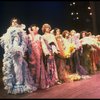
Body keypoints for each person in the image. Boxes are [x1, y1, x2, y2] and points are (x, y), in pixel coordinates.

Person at [0, 17, 37, 94]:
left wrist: (19, 49)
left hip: (17, 52)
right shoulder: (8, 31)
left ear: (18, 23)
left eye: (16, 21)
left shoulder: (19, 30)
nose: (14, 23)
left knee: (18, 67)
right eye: (13, 21)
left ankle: (19, 84)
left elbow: (24, 42)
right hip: (9, 53)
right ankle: (12, 85)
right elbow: (4, 43)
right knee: (10, 68)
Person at [27, 24, 49, 89]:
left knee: (39, 67)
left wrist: (46, 52)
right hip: (31, 55)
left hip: (39, 54)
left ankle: (38, 83)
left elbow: (43, 44)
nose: (34, 30)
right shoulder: (28, 36)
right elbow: (27, 45)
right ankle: (32, 82)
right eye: (33, 29)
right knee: (32, 68)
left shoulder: (39, 36)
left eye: (35, 28)